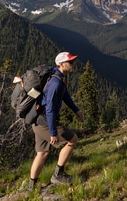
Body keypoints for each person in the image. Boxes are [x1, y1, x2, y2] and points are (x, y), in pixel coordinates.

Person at [27, 51, 85, 191]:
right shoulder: (55, 83)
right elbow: (50, 109)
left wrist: (76, 110)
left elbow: (65, 96)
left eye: (73, 61)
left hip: (38, 121)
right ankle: (58, 175)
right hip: (45, 122)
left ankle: (31, 188)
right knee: (73, 139)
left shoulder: (60, 78)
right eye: (70, 62)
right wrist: (53, 132)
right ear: (61, 64)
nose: (73, 64)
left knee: (42, 153)